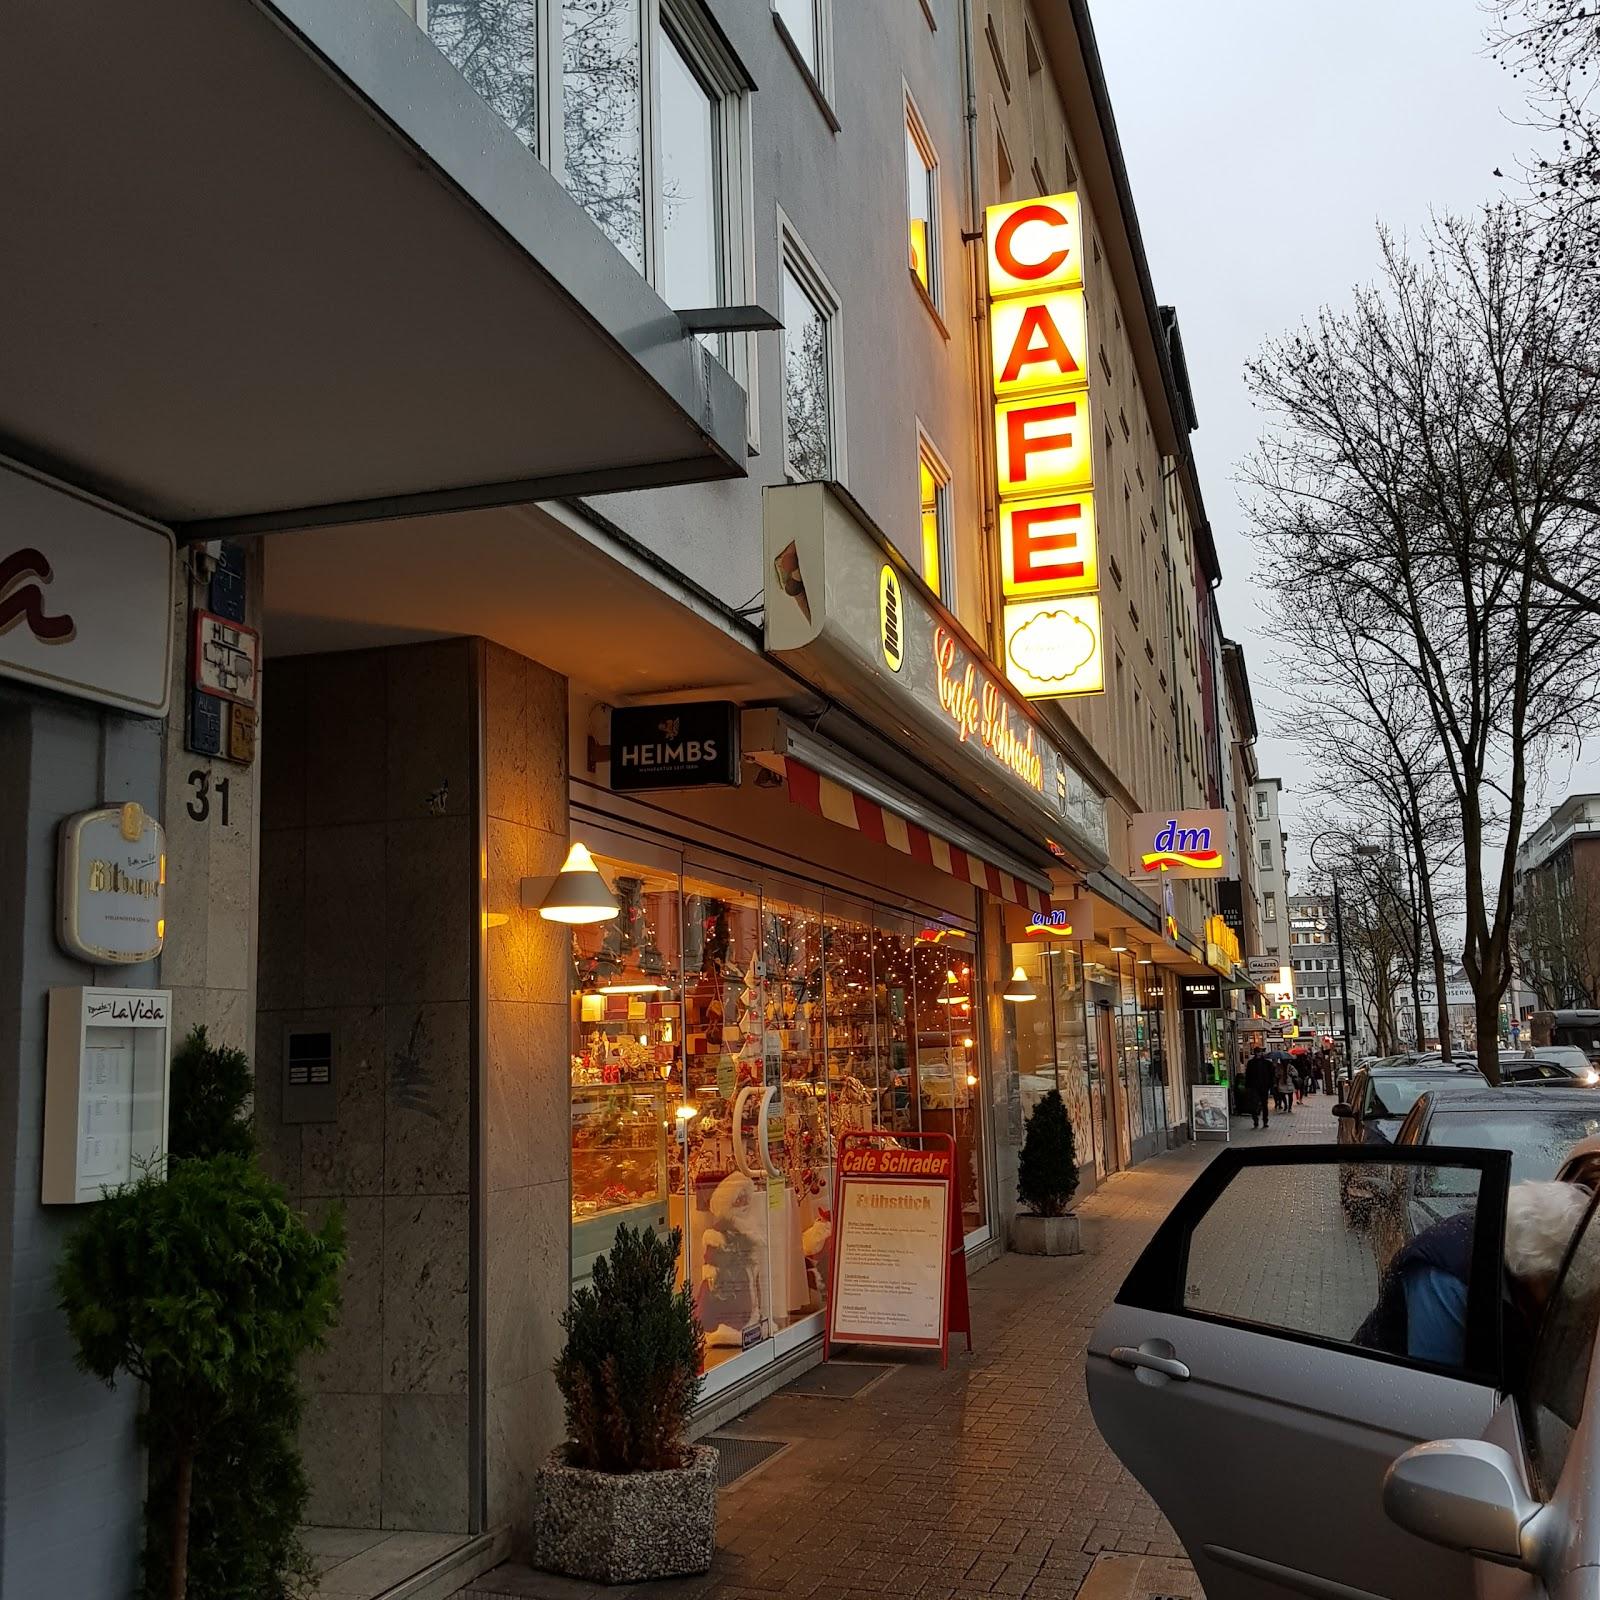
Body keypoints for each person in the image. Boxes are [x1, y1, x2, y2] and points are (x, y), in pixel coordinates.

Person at [1355, 1180, 1592, 1371]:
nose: (1563, 1304)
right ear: (1533, 1269)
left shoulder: (1519, 1258)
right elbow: (1441, 1390)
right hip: (1379, 1393)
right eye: (1555, 1289)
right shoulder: (1445, 1274)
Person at [1244, 1048, 1275, 1129]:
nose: (1259, 1054)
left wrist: (1271, 1085)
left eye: (1260, 1052)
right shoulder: (1251, 1063)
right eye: (1258, 1052)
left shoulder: (1267, 1063)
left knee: (1264, 1104)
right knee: (1254, 1105)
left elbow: (1271, 1075)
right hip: (1254, 1087)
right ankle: (1255, 1120)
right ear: (1255, 1053)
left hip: (1264, 1087)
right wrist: (1248, 1086)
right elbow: (1248, 1075)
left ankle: (1265, 1121)